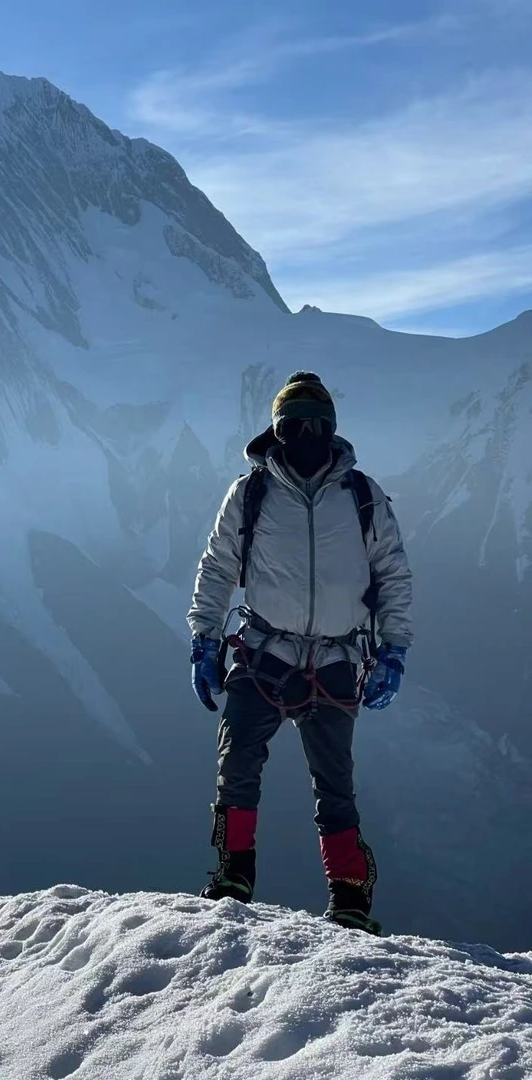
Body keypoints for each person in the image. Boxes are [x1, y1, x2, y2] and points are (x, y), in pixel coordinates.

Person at [186, 371, 412, 933]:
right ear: (278, 429)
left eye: (317, 424)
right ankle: (236, 877)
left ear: (332, 429)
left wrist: (395, 647)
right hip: (270, 652)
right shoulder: (251, 493)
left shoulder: (363, 495)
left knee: (333, 784)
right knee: (238, 762)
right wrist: (203, 637)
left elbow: (392, 574)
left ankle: (349, 901)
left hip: (329, 658)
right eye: (295, 424)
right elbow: (217, 568)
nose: (307, 433)